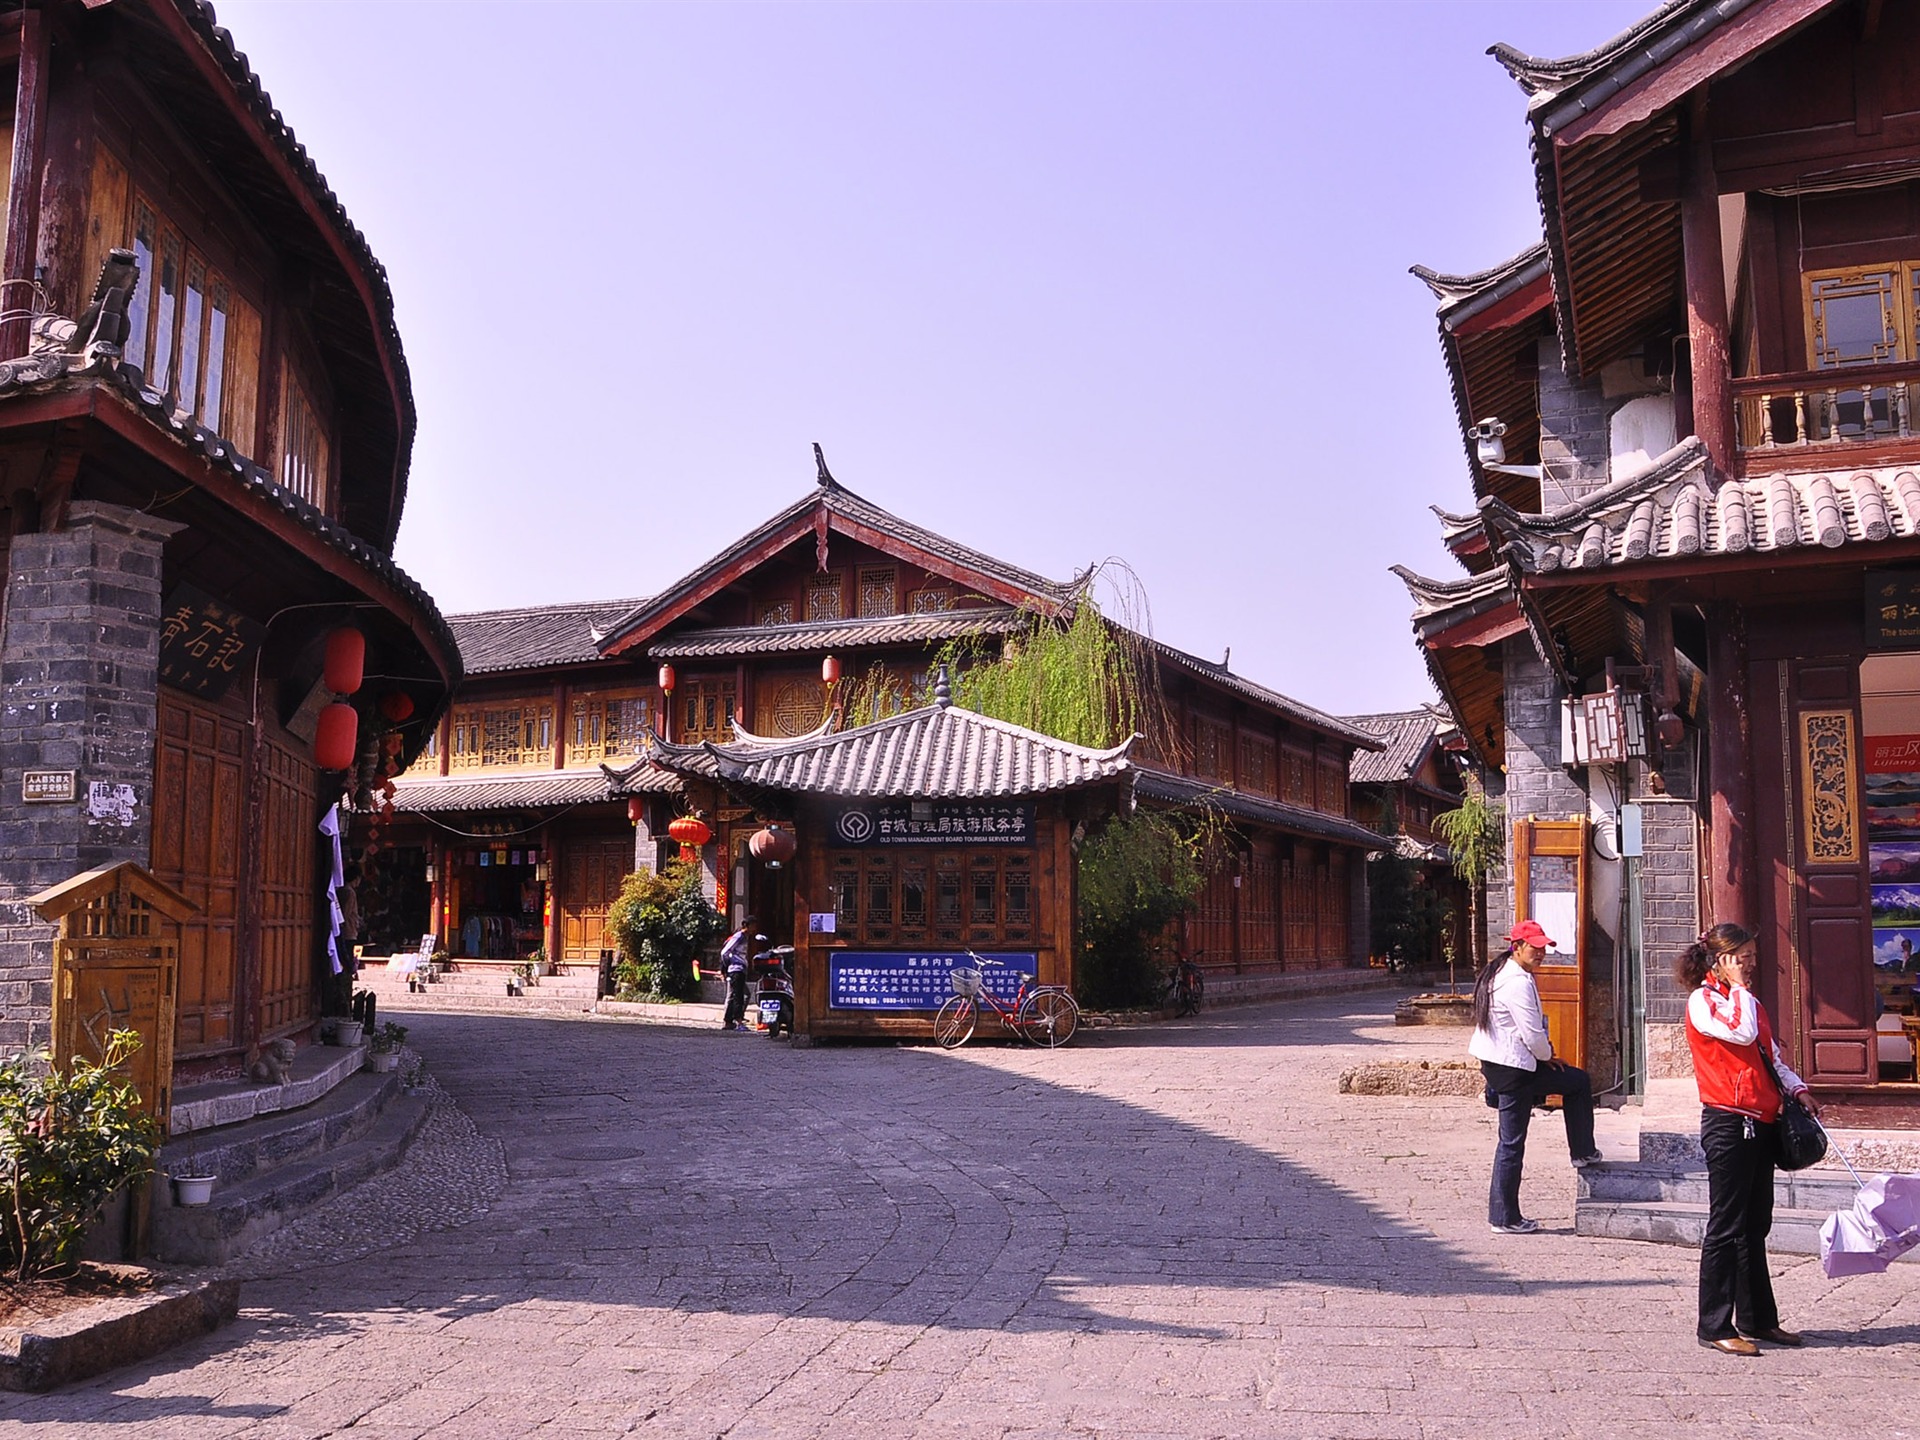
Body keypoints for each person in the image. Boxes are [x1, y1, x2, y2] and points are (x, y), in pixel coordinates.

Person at [1682, 923, 1819, 1356]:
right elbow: (1739, 1032)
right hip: (1727, 1122)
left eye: (1751, 957)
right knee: (1725, 1226)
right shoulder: (1703, 1002)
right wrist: (1738, 987)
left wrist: (1797, 1088)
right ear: (1719, 961)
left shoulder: (1749, 1001)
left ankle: (1759, 1319)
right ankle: (1714, 1324)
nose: (1750, 964)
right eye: (1741, 957)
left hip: (1761, 1119)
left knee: (1755, 1225)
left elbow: (1769, 1054)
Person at [1468, 919, 1601, 1235]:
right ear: (1517, 947)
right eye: (1535, 947)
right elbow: (1533, 1033)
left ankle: (1582, 1151)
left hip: (1501, 1063)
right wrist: (1547, 1057)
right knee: (1512, 1142)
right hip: (1513, 1067)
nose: (1541, 953)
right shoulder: (1516, 982)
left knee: (1575, 1081)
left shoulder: (1504, 972)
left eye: (1543, 947)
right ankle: (1504, 1217)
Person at [719, 915, 757, 1032]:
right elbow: (725, 952)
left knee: (738, 995)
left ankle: (729, 1021)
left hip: (740, 969)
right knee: (738, 996)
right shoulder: (739, 936)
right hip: (735, 970)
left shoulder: (745, 938)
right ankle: (738, 1021)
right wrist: (725, 968)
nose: (754, 928)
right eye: (753, 925)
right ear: (746, 926)